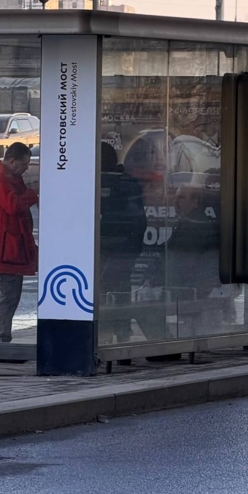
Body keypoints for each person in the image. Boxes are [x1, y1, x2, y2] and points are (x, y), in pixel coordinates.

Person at [0, 141, 38, 344]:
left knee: (10, 297)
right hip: (4, 249)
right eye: (23, 164)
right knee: (7, 297)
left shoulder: (9, 177)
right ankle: (1, 341)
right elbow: (13, 205)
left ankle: (2, 339)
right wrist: (33, 192)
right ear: (11, 161)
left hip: (11, 248)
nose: (26, 168)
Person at [98, 141, 147, 344]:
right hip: (127, 246)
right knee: (120, 289)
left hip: (104, 245)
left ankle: (106, 333)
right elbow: (139, 218)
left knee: (102, 290)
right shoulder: (129, 182)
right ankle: (122, 333)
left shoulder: (98, 182)